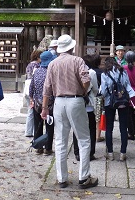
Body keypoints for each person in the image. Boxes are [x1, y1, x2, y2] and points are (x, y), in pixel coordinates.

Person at [41, 34, 98, 189]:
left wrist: (45, 108)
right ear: (72, 47)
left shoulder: (52, 64)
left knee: (60, 140)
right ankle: (84, 177)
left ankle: (62, 178)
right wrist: (83, 92)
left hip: (58, 102)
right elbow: (86, 81)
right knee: (84, 139)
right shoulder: (77, 60)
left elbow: (47, 88)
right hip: (75, 100)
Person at [100, 57, 135, 161]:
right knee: (123, 127)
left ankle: (110, 153)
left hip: (109, 102)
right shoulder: (123, 72)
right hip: (123, 102)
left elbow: (103, 91)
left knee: (109, 127)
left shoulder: (105, 74)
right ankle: (123, 153)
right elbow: (127, 86)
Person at [73, 54, 98, 161]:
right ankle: (90, 152)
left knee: (76, 128)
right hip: (88, 105)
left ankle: (77, 152)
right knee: (91, 129)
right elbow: (96, 89)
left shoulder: (75, 72)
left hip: (76, 103)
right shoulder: (91, 73)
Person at [29, 51, 55, 155]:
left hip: (37, 103)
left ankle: (38, 147)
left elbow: (31, 88)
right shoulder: (51, 73)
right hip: (50, 104)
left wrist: (32, 99)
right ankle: (47, 148)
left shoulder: (37, 71)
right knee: (49, 126)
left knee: (37, 126)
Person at [24, 49, 42, 137]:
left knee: (30, 110)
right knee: (34, 110)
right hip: (32, 87)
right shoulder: (37, 65)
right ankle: (33, 131)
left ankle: (28, 131)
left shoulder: (29, 64)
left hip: (27, 86)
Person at [90, 53, 105, 142]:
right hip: (99, 96)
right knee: (98, 116)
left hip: (90, 96)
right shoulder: (102, 72)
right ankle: (97, 136)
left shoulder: (89, 71)